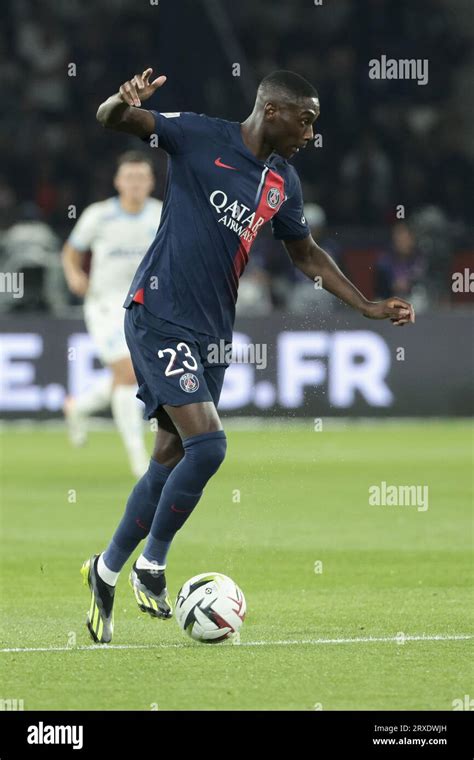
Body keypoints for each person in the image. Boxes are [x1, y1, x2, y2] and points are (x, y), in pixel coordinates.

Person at [81, 68, 415, 644]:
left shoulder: (282, 182)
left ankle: (104, 571)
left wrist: (363, 304)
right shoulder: (197, 135)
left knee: (169, 456)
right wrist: (120, 100)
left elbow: (305, 253)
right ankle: (151, 566)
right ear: (273, 110)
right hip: (158, 314)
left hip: (212, 334)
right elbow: (114, 120)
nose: (312, 133)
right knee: (209, 445)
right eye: (306, 120)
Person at [62, 151, 162, 478]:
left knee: (132, 374)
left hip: (145, 306)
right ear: (118, 182)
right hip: (104, 304)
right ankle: (138, 460)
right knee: (129, 373)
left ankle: (79, 407)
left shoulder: (161, 215)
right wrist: (75, 275)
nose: (134, 184)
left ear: (150, 182)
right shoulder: (99, 215)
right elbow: (71, 250)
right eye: (129, 178)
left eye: (141, 178)